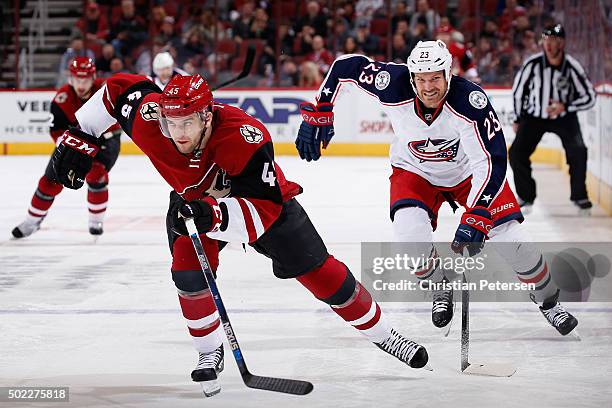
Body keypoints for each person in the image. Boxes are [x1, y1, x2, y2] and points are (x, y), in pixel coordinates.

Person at [49, 73, 429, 397]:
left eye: (187, 124)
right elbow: (118, 90)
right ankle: (208, 350)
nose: (176, 133)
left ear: (207, 116)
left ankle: (384, 333)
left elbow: (261, 211)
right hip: (194, 203)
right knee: (187, 274)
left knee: (320, 272)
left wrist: (212, 212)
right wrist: (83, 133)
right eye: (171, 123)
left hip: (261, 206)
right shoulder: (152, 120)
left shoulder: (245, 138)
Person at [295, 40, 578, 337]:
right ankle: (439, 286)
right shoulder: (392, 83)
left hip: (469, 173)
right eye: (421, 79)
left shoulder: (470, 101)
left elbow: (492, 160)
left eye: (435, 78)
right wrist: (322, 107)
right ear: (412, 77)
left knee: (516, 242)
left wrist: (478, 211)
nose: (428, 86)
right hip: (414, 170)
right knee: (409, 237)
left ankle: (549, 303)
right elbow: (345, 67)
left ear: (448, 74)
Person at [11, 57, 121, 239]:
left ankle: (96, 221)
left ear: (93, 77)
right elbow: (55, 131)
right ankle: (31, 222)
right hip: (72, 143)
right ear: (71, 77)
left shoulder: (106, 90)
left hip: (105, 141)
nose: (81, 84)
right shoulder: (62, 98)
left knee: (96, 173)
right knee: (49, 182)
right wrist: (74, 148)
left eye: (85, 79)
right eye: (77, 79)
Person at [510, 23, 596, 215]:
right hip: (534, 117)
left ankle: (579, 196)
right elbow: (518, 92)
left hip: (564, 117)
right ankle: (526, 195)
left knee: (578, 151)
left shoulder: (572, 66)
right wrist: (517, 118)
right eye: (546, 40)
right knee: (516, 153)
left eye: (554, 40)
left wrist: (565, 106)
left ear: (562, 42)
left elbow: (590, 96)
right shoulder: (533, 64)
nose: (549, 44)